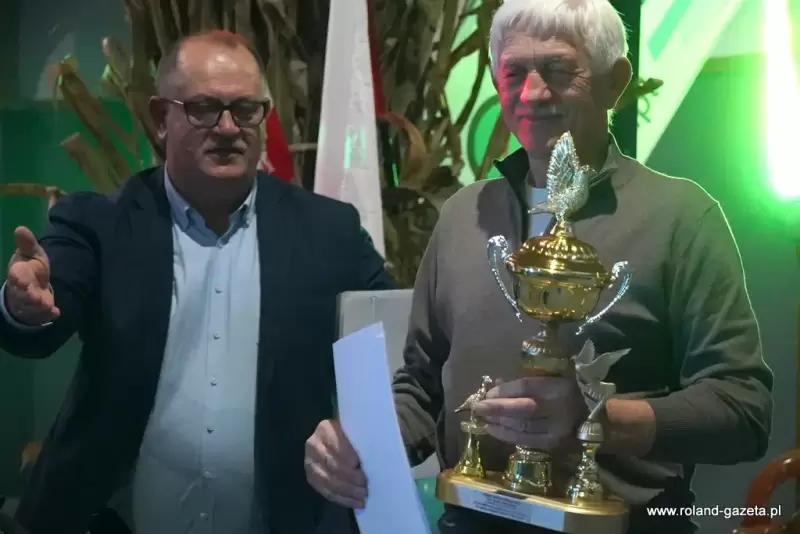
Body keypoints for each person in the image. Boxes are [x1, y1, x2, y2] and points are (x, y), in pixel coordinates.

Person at [303, 0, 773, 533]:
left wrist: (598, 420)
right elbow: (421, 387)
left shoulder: (681, 219)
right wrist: (355, 443)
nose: (532, 93)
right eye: (514, 72)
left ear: (615, 81)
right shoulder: (463, 216)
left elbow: (744, 409)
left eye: (557, 70)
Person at [0, 30, 393, 534]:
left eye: (246, 110)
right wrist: (25, 304)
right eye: (205, 108)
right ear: (161, 118)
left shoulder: (327, 231)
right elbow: (44, 315)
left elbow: (393, 341)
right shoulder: (101, 223)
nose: (228, 128)